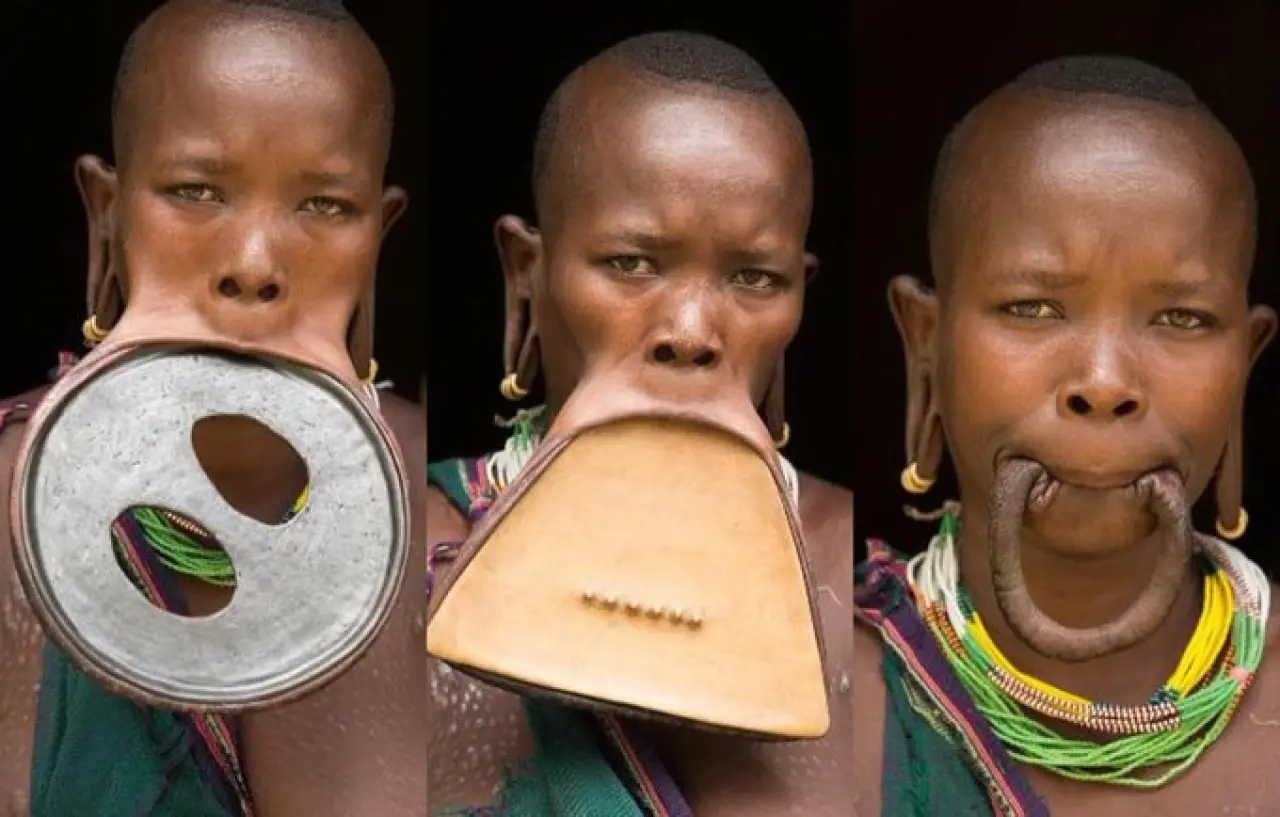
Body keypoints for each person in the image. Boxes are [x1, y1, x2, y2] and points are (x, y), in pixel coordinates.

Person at [0, 1, 427, 814]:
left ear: (380, 232)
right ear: (107, 212)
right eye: (196, 191)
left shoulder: (459, 530)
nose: (254, 265)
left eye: (326, 206)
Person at [426, 31, 854, 817]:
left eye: (754, 277)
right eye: (631, 262)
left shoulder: (856, 577)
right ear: (529, 274)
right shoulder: (414, 550)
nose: (690, 330)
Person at [853, 55, 1280, 815]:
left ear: (1244, 365)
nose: (1106, 381)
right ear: (927, 343)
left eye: (1181, 319)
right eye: (1033, 307)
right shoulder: (818, 704)